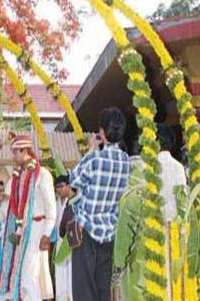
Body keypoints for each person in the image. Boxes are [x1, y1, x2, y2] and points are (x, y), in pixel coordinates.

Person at [70, 107, 130, 301]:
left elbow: (73, 181)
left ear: (102, 132)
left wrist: (91, 150)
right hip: (110, 231)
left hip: (86, 230)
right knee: (103, 287)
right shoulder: (126, 161)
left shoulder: (94, 158)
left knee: (84, 288)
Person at [0, 133, 56, 301]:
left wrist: (46, 234)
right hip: (22, 230)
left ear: (25, 151)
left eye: (16, 152)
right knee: (23, 276)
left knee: (30, 276)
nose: (13, 156)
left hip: (37, 229)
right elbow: (10, 203)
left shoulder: (42, 174)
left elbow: (51, 208)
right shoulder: (17, 176)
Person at [157, 124, 187, 221]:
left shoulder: (147, 166)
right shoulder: (179, 167)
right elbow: (182, 199)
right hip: (174, 225)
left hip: (153, 225)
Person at [54, 175, 75, 301]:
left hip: (73, 244)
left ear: (69, 185)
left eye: (61, 186)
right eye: (57, 188)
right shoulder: (56, 203)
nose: (59, 190)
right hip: (60, 243)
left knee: (72, 278)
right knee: (60, 278)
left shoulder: (75, 202)